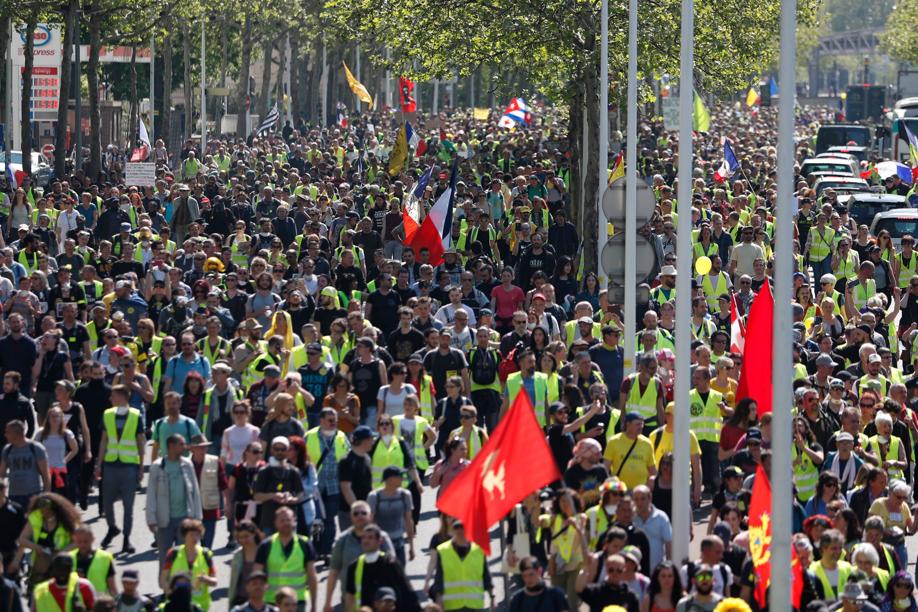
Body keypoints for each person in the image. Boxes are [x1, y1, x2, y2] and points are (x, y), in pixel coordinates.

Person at [95, 386, 145, 553]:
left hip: (129, 465)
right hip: (110, 464)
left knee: (128, 505)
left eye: (113, 395)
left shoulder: (136, 416)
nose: (110, 398)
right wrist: (98, 464)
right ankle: (112, 527)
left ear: (122, 397)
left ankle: (126, 539)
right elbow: (104, 440)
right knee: (107, 502)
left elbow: (141, 442)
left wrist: (141, 466)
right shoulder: (107, 415)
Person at [323, 500, 396, 612]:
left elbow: (393, 567)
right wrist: (328, 601)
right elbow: (333, 572)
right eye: (356, 513)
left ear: (370, 516)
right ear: (351, 517)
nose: (360, 516)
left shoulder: (382, 537)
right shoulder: (342, 541)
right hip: (351, 600)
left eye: (363, 513)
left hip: (379, 602)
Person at [147, 434, 203, 564]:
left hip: (185, 519)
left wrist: (198, 518)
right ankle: (165, 583)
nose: (185, 447)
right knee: (165, 557)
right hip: (164, 521)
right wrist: (151, 518)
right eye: (181, 444)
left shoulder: (187, 464)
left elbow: (195, 491)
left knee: (185, 556)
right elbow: (151, 494)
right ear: (171, 446)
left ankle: (184, 582)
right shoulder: (157, 466)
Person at [253, 506, 318, 610]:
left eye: (288, 520)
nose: (285, 523)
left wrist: (314, 606)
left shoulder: (304, 544)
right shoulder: (266, 545)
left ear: (294, 522)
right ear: (275, 523)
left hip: (297, 602)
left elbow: (312, 577)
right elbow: (256, 577)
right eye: (282, 520)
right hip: (272, 602)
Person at [344, 523, 419, 611]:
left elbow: (406, 592)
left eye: (370, 537)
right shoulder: (354, 567)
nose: (366, 541)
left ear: (380, 541)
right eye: (363, 537)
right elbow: (350, 596)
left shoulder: (391, 564)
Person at [430, 519, 495, 612]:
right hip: (452, 607)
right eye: (456, 527)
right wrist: (439, 601)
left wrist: (492, 597)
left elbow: (486, 576)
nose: (459, 530)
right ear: (452, 529)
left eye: (462, 527)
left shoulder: (478, 551)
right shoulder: (443, 551)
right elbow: (439, 578)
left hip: (474, 606)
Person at [252, 436, 305, 535]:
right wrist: (273, 496)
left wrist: (293, 499)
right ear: (271, 450)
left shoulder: (293, 471)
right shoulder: (264, 471)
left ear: (288, 450)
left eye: (283, 449)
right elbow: (257, 496)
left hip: (289, 521)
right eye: (276, 449)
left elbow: (300, 493)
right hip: (268, 520)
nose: (279, 452)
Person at [160, 519, 217, 611]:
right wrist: (169, 592)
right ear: (184, 536)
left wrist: (206, 579)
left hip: (201, 606)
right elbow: (163, 579)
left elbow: (214, 581)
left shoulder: (206, 554)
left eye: (198, 534)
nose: (195, 538)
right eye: (191, 535)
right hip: (177, 605)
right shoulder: (173, 553)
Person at [0, 419, 49, 507]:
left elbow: (45, 475)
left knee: (33, 520)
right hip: (13, 496)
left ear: (17, 433)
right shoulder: (7, 450)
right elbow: (1, 474)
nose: (5, 435)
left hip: (33, 495)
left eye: (8, 432)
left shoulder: (36, 448)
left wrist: (46, 496)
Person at [575, 552, 641, 612]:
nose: (615, 573)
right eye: (611, 570)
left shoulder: (630, 596)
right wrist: (586, 567)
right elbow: (579, 589)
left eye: (619, 570)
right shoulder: (596, 591)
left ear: (624, 571)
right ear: (606, 570)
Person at [69, 525, 116, 597]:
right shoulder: (69, 558)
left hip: (99, 603)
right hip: (77, 604)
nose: (82, 545)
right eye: (79, 541)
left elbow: (112, 586)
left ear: (93, 539)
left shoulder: (104, 557)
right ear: (74, 540)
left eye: (86, 541)